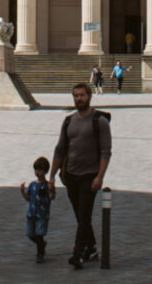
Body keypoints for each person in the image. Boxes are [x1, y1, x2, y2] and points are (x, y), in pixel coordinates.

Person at [50, 82, 111, 270]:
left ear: (89, 96)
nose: (79, 99)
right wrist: (52, 176)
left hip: (89, 176)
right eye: (76, 96)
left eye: (82, 95)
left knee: (84, 214)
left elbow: (105, 152)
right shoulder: (68, 121)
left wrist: (100, 177)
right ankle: (92, 248)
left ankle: (78, 254)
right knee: (81, 216)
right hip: (70, 176)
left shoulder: (99, 121)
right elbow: (60, 150)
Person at [21, 156, 54, 262]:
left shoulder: (47, 185)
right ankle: (42, 244)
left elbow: (51, 197)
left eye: (40, 170)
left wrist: (52, 190)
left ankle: (40, 253)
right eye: (36, 170)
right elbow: (28, 198)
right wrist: (22, 191)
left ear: (45, 171)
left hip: (42, 214)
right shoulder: (32, 185)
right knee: (30, 234)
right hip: (31, 213)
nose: (37, 172)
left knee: (39, 233)